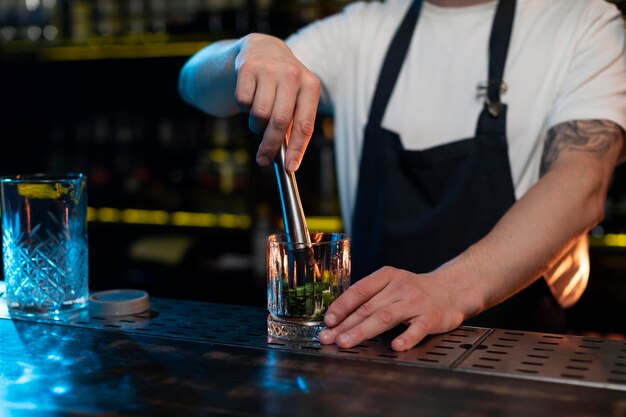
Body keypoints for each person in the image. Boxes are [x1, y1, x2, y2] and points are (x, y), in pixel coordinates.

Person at [178, 0, 626, 351]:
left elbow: (583, 180)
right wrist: (249, 50)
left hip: (516, 358)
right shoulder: (361, 30)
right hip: (369, 351)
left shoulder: (585, 22)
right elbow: (193, 83)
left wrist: (448, 289)